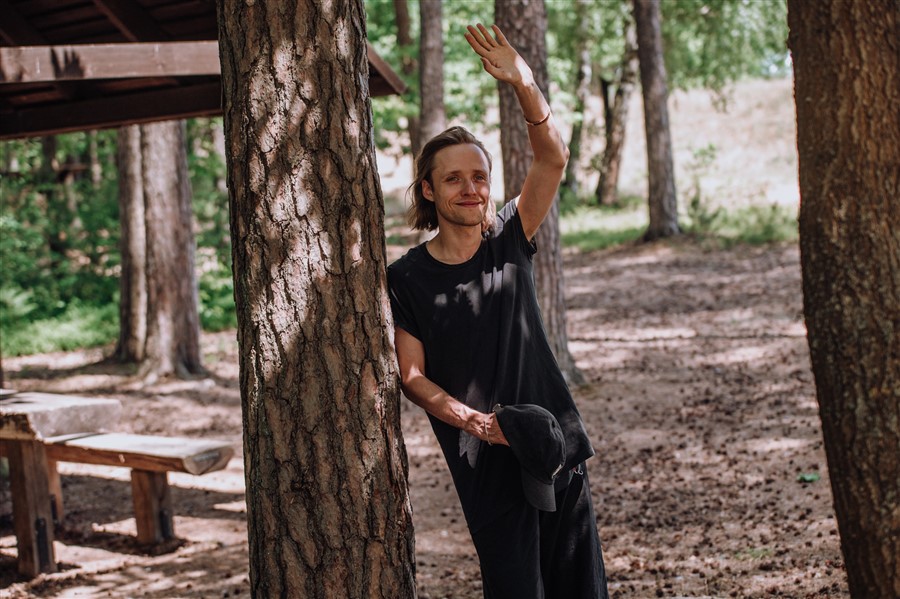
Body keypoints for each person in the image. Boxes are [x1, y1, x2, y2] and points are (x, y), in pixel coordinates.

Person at [387, 23, 609, 599]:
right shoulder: (406, 277)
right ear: (429, 190)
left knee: (580, 590)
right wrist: (478, 424)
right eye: (453, 178)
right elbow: (411, 376)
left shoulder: (509, 236)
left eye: (479, 177)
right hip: (483, 460)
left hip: (554, 443)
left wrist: (524, 83)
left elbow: (553, 159)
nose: (470, 188)